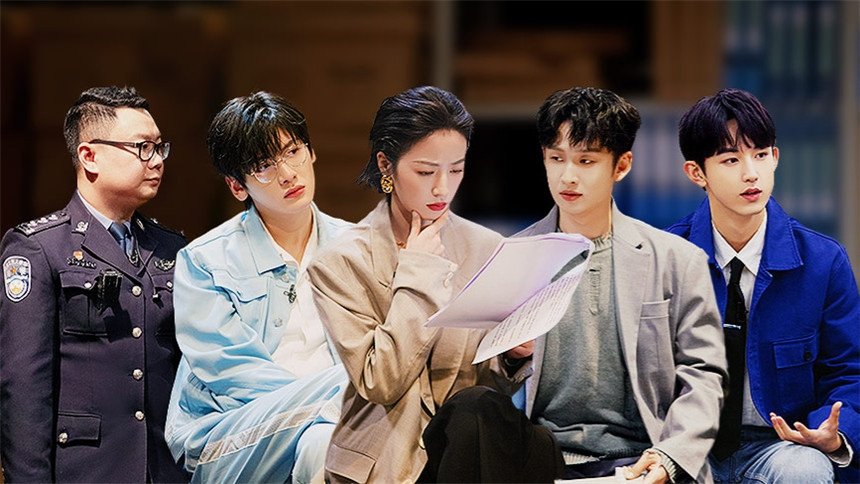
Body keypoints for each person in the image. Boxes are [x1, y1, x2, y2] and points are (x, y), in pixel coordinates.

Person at [308, 86, 562, 483]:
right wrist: (419, 272)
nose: (443, 188)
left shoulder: (487, 248)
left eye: (456, 170)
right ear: (386, 166)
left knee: (484, 414)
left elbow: (486, 389)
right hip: (388, 461)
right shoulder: (340, 262)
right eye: (426, 172)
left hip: (468, 450)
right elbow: (381, 381)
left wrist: (512, 355)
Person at [515, 87, 728, 483]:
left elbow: (704, 375)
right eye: (556, 159)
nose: (568, 176)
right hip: (541, 456)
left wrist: (669, 457)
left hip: (641, 458)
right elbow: (482, 379)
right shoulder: (513, 258)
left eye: (586, 160)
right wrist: (511, 358)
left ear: (622, 165)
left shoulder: (677, 260)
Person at [666, 88, 859, 484]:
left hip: (781, 447)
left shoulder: (824, 262)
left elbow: (848, 371)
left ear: (776, 157)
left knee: (805, 472)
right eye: (731, 160)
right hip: (683, 447)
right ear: (696, 173)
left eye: (760, 155)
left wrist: (832, 433)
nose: (750, 173)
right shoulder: (666, 258)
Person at [0, 86, 188, 482]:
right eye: (142, 148)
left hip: (163, 470)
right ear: (89, 156)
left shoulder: (172, 248)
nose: (156, 161)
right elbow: (24, 389)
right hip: (85, 471)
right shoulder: (40, 248)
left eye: (160, 148)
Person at [164, 92, 352, 483]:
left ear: (311, 152)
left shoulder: (359, 248)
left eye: (293, 152)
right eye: (265, 166)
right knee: (365, 385)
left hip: (334, 424)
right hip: (231, 431)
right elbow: (230, 372)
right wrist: (342, 398)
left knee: (323, 442)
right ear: (237, 186)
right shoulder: (204, 261)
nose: (288, 174)